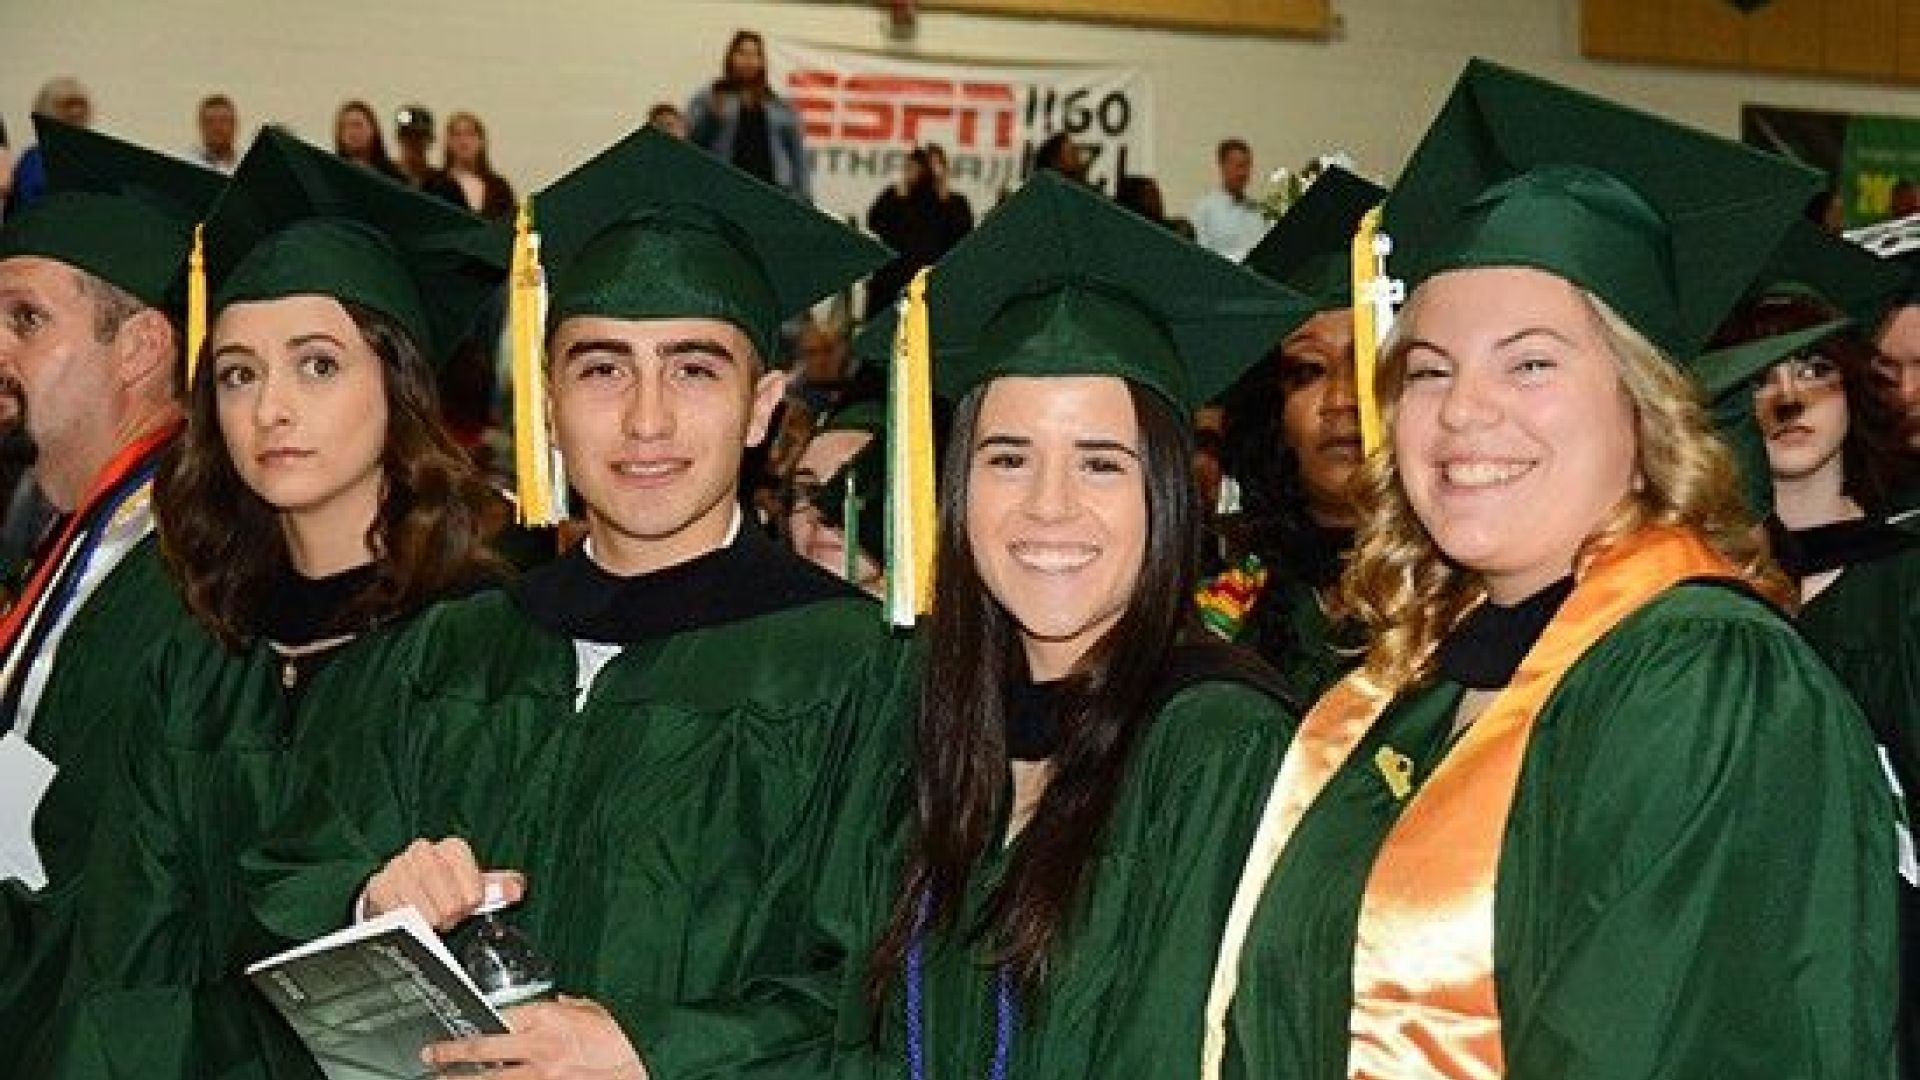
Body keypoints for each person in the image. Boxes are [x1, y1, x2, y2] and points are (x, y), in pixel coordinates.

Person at [1203, 59, 1896, 1079]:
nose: (1462, 411)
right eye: (1428, 370)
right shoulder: (1410, 690)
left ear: (1644, 404)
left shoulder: (1703, 683)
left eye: (1529, 362)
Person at [249, 126, 912, 1077]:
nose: (646, 419)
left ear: (764, 407)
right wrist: (370, 902)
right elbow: (289, 873)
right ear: (548, 402)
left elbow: (885, 997)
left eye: (694, 368)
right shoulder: (448, 651)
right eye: (602, 368)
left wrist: (652, 1054)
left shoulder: (861, 674)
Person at [18, 126, 510, 1078]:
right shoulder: (199, 656)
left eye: (317, 364)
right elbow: (122, 948)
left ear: (398, 384)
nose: (270, 408)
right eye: (239, 373)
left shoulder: (480, 646)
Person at [829, 172, 1309, 1076]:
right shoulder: (933, 721)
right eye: (1008, 459)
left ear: (1166, 494)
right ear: (958, 488)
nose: (1048, 506)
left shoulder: (1217, 746)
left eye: (1101, 464)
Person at [0, 116, 222, 1071]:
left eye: (25, 320)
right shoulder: (78, 534)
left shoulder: (187, 571)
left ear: (139, 347)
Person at [1708, 220, 1920, 1077]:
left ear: (1856, 390)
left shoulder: (1906, 583)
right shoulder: (1697, 590)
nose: (1788, 398)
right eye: (1760, 377)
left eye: (1813, 368)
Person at [1213, 167, 1383, 699]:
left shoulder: (1468, 595)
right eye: (1309, 371)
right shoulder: (1225, 607)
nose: (1342, 400)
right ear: (1272, 411)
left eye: (1368, 362)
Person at [686, 30, 811, 201]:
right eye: (742, 53)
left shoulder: (778, 103)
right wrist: (711, 118)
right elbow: (691, 145)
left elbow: (798, 156)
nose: (748, 60)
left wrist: (804, 196)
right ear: (731, 58)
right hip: (723, 191)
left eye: (754, 55)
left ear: (761, 62)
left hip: (773, 192)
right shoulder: (710, 97)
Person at [865, 144, 973, 319]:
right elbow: (875, 223)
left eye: (934, 165)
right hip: (893, 281)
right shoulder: (897, 196)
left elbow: (963, 236)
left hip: (934, 282)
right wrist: (900, 196)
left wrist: (943, 193)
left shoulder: (954, 202)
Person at [9, 78, 93, 217]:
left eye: (80, 105)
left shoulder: (92, 156)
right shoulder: (35, 160)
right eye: (68, 106)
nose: (76, 112)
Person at [425, 110, 515, 218]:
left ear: (481, 141)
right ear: (448, 142)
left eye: (470, 134)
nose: (463, 141)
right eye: (457, 135)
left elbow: (512, 223)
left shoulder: (499, 188)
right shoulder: (435, 185)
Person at [1190, 138, 1268, 261]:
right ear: (1222, 166)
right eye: (1239, 166)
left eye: (1247, 166)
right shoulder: (1205, 210)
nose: (1243, 173)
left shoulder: (1258, 211)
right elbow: (1200, 256)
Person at [331, 99, 402, 182]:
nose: (351, 132)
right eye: (344, 127)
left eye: (357, 125)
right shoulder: (332, 172)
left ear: (373, 129)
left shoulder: (392, 175)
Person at [189, 93, 239, 173]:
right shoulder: (189, 161)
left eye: (223, 120)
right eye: (210, 121)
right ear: (201, 127)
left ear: (234, 125)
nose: (217, 127)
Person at [393, 103, 435, 187]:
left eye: (419, 136)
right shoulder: (385, 176)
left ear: (429, 140)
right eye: (409, 136)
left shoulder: (440, 182)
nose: (414, 143)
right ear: (399, 138)